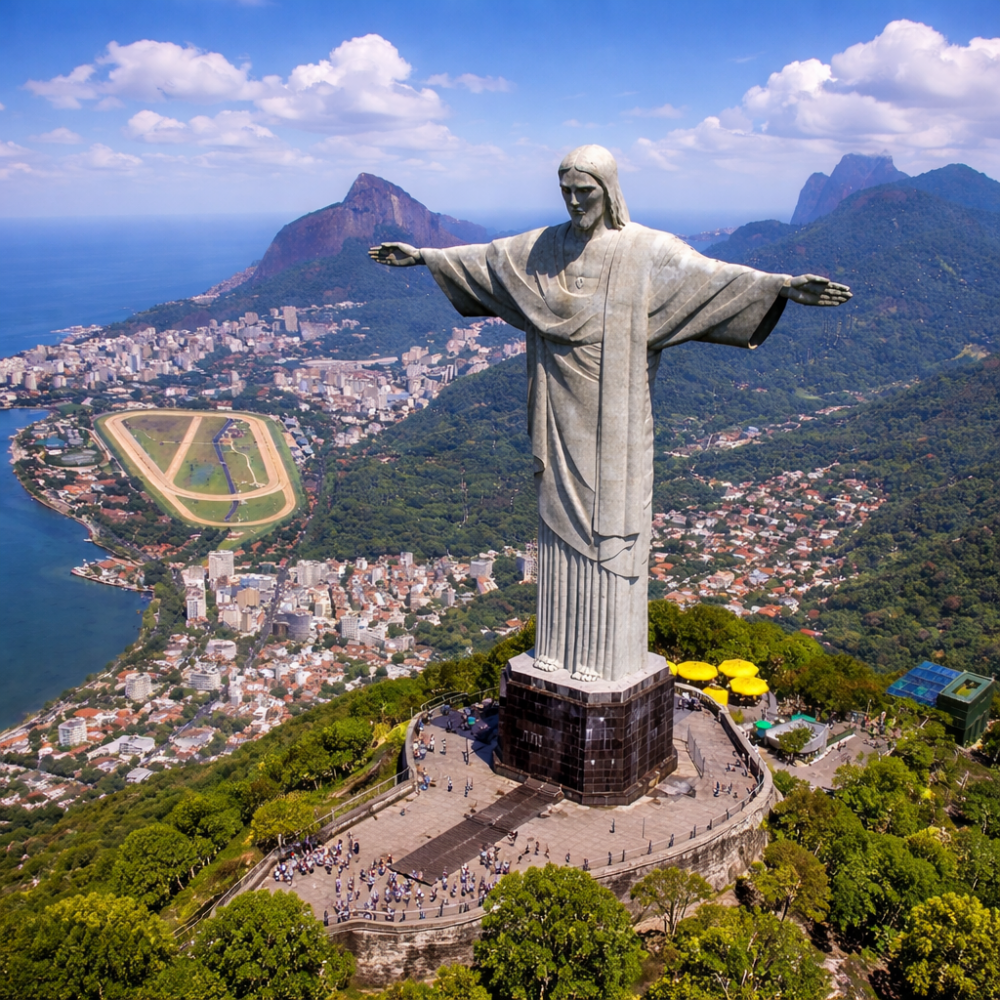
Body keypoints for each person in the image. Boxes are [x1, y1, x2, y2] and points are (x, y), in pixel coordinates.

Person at [371, 148, 850, 684]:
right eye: (566, 191)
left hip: (615, 419)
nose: (575, 201)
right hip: (556, 412)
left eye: (586, 191)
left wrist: (780, 285)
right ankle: (556, 649)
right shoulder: (543, 248)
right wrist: (422, 256)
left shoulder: (646, 251)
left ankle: (607, 657)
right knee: (557, 527)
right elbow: (488, 261)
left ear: (610, 188)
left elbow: (711, 277)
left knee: (611, 530)